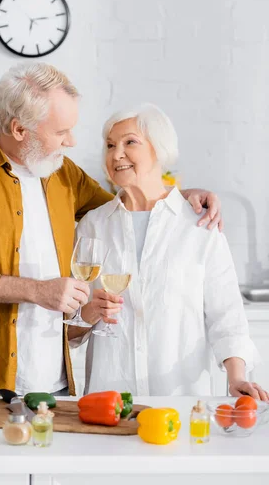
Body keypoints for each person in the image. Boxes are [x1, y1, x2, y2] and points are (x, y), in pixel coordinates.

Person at [0, 63, 222, 394]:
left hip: (53, 386)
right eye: (61, 132)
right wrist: (38, 290)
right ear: (19, 129)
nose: (72, 141)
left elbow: (125, 208)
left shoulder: (63, 173)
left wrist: (179, 198)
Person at [68, 104, 269, 401]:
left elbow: (227, 317)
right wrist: (87, 314)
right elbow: (70, 327)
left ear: (159, 149)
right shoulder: (93, 225)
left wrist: (236, 377)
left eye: (130, 142)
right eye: (110, 145)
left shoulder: (199, 225)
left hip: (181, 399)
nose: (116, 154)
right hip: (108, 401)